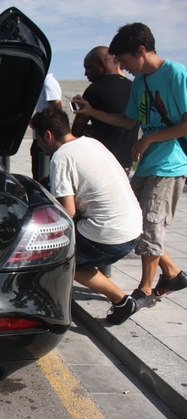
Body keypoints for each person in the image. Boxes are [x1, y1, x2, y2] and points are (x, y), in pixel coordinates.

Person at [73, 23, 187, 302]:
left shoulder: (175, 74)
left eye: (124, 61)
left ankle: (145, 291)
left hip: (170, 164)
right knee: (133, 222)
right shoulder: (141, 83)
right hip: (147, 164)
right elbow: (128, 120)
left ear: (141, 50)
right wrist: (92, 112)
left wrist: (150, 139)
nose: (123, 67)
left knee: (151, 224)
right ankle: (172, 274)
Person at [31, 107, 143, 324]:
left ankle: (121, 301)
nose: (38, 145)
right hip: (133, 228)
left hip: (109, 235)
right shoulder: (92, 142)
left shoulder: (61, 157)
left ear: (48, 135)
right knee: (73, 254)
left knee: (57, 257)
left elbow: (68, 211)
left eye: (39, 139)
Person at [71, 46, 139, 173]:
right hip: (126, 163)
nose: (86, 73)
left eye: (88, 67)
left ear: (102, 63)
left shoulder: (94, 90)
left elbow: (76, 130)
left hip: (102, 163)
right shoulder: (133, 87)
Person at [31, 72, 63, 181]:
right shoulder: (42, 83)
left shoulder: (48, 83)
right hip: (40, 136)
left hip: (46, 139)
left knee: (42, 176)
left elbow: (57, 109)